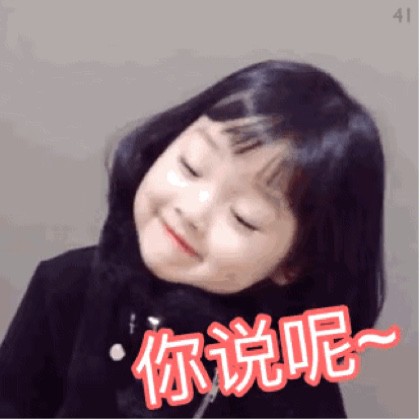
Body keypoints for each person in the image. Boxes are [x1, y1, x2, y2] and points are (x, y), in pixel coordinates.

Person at [0, 59, 385, 418]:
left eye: (244, 218)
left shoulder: (287, 370)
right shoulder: (65, 287)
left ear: (292, 264)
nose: (193, 212)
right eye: (191, 166)